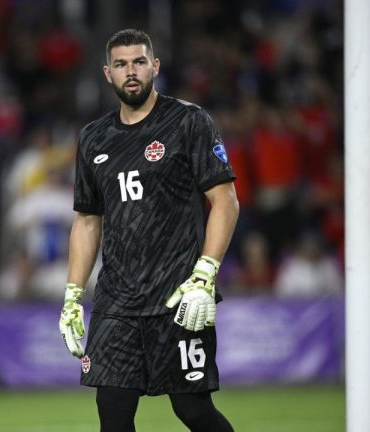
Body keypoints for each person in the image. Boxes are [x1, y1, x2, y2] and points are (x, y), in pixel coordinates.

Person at [59, 29, 239, 432]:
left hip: (178, 295)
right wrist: (72, 295)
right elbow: (88, 220)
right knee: (113, 411)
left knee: (192, 410)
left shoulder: (188, 122)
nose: (131, 71)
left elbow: (225, 201)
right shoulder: (93, 138)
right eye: (121, 64)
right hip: (116, 302)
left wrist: (205, 274)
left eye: (139, 62)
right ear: (108, 74)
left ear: (155, 67)